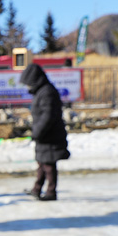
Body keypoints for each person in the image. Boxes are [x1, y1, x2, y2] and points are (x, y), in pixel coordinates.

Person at [20, 63, 70, 201]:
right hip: (44, 134)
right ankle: (37, 189)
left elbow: (48, 116)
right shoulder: (41, 91)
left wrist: (38, 132)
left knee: (48, 165)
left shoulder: (47, 92)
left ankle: (51, 192)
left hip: (49, 135)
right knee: (42, 163)